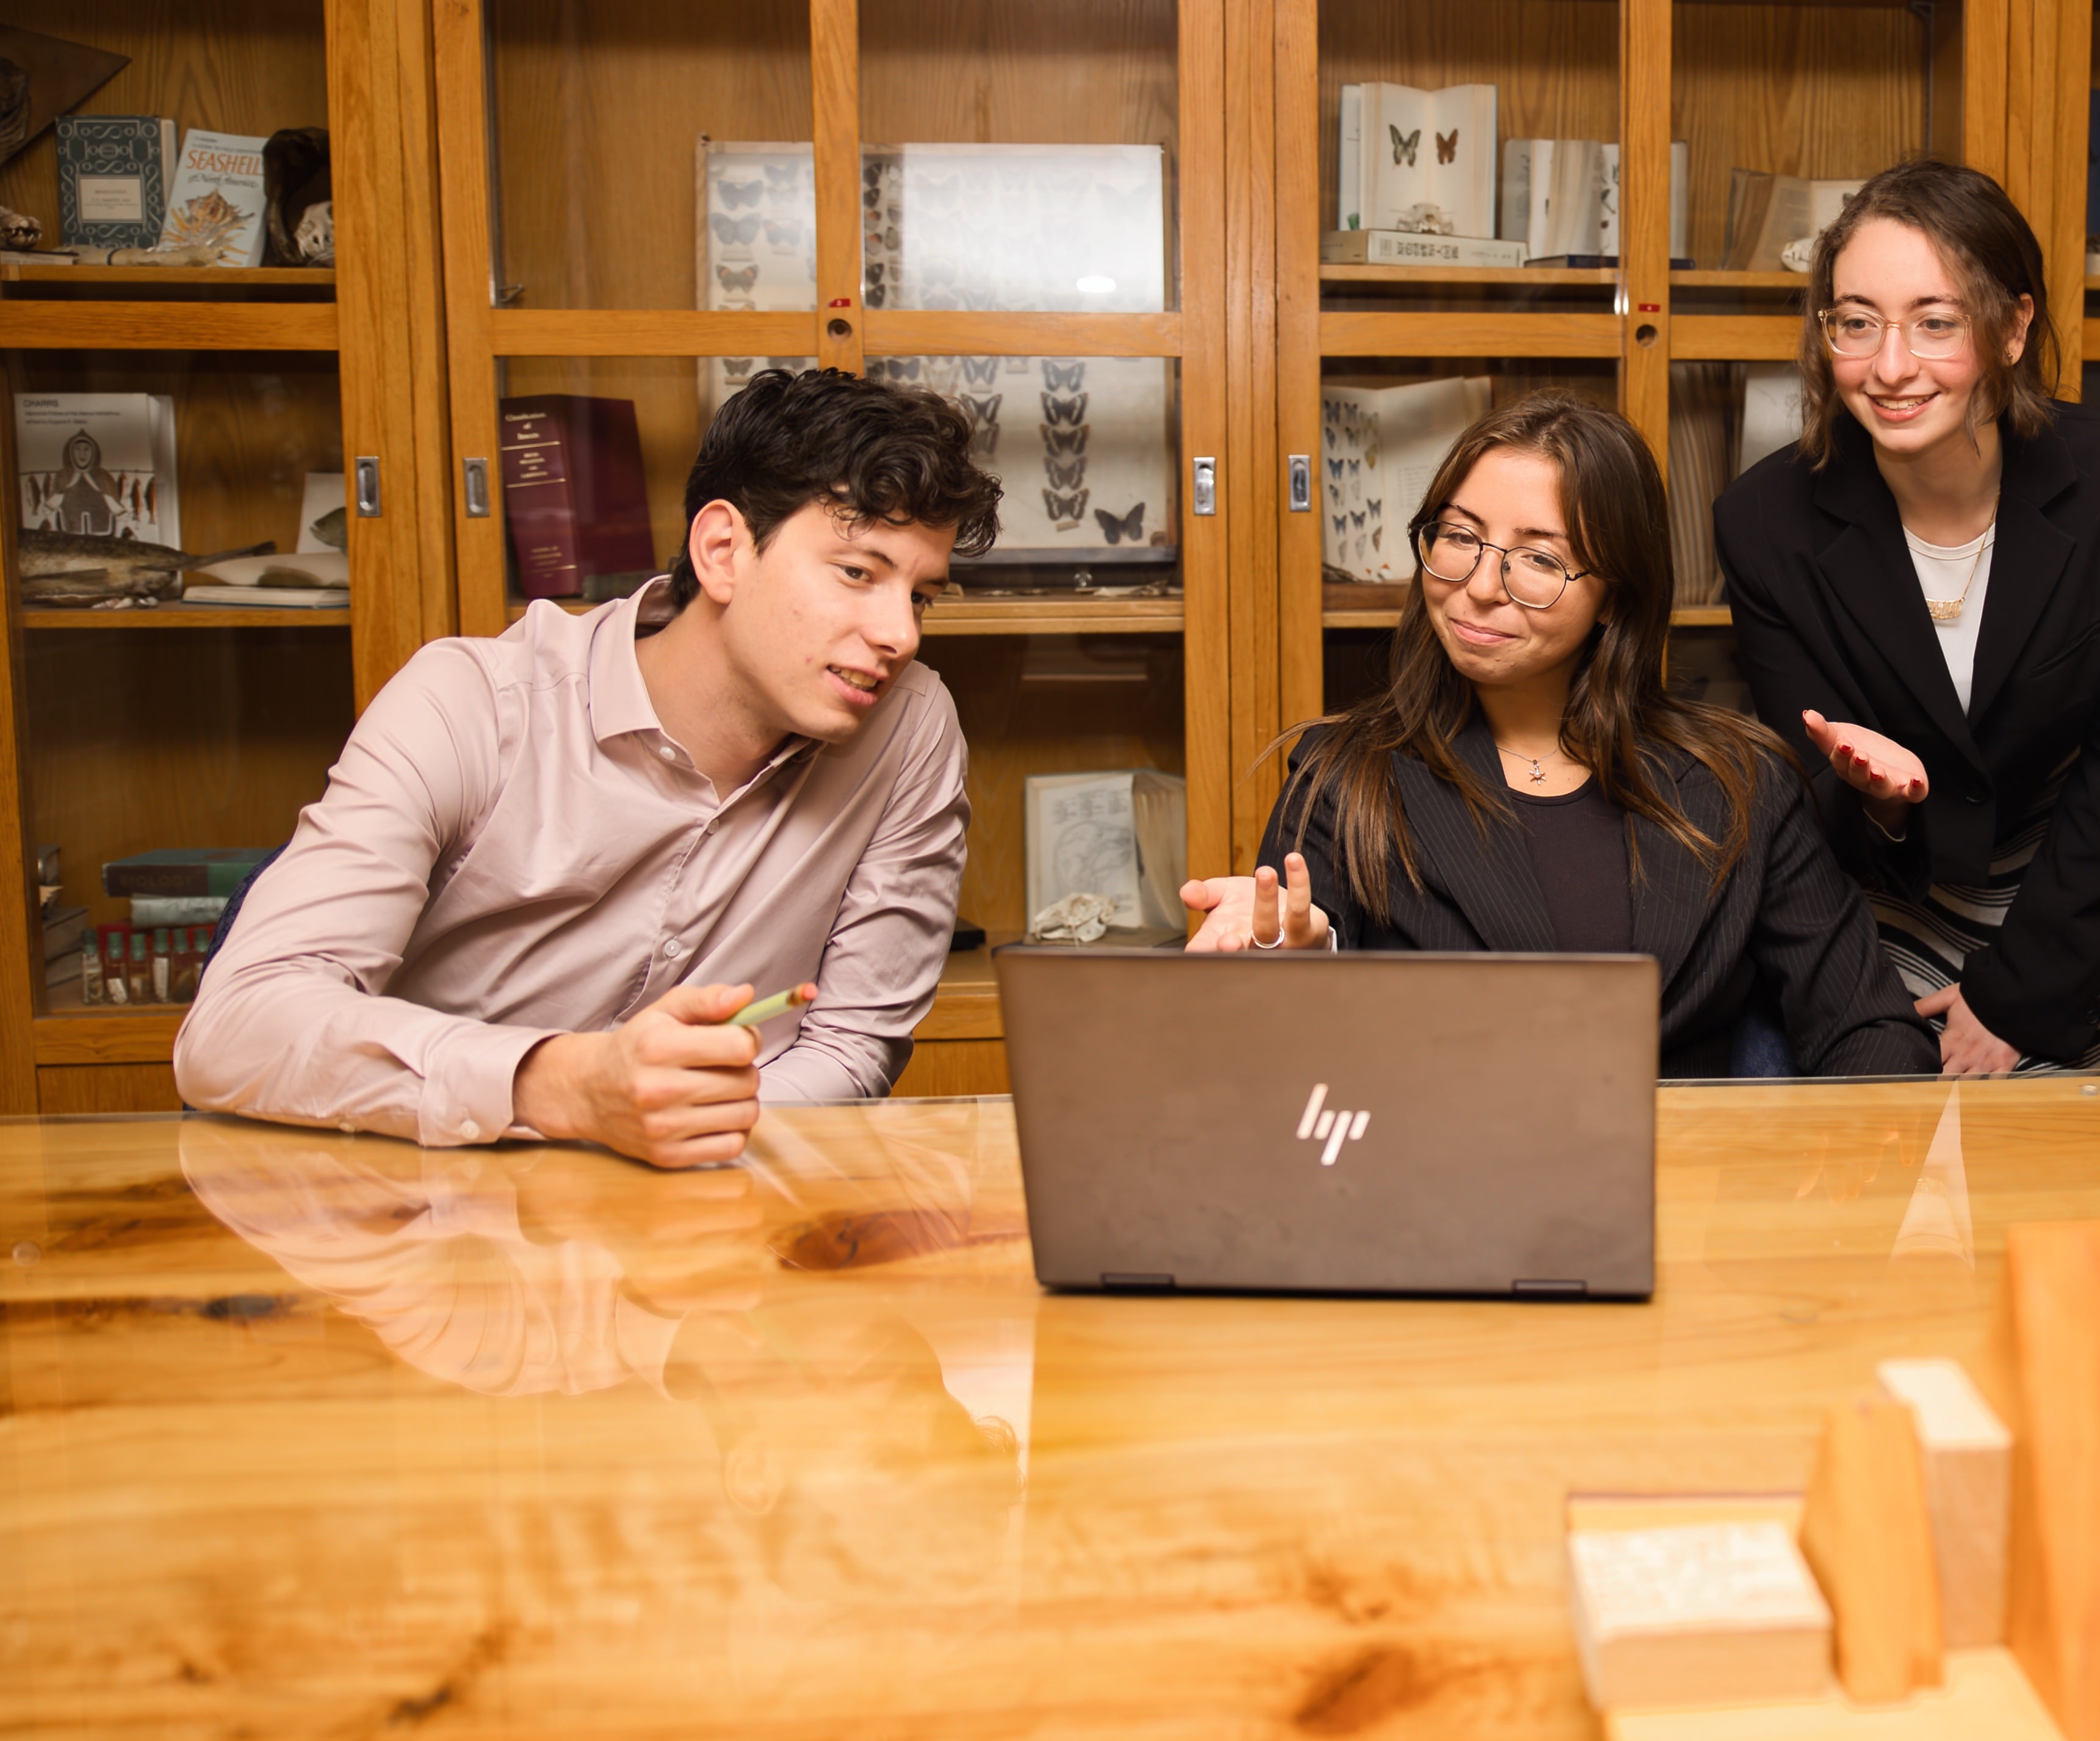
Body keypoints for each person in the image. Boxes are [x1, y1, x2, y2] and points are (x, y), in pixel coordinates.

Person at [174, 367, 1006, 1164]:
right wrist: (560, 1085)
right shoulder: (471, 703)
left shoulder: (906, 728)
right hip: (426, 1215)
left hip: (713, 1231)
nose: (899, 634)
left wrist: (682, 1144)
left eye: (920, 595)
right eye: (858, 574)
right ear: (722, 549)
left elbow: (851, 1045)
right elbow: (235, 1031)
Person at [1180, 390, 1937, 1079]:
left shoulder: (1741, 782)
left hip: (1686, 1200)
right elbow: (1273, 1056)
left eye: (1539, 558)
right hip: (1440, 1201)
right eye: (1459, 536)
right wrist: (1304, 956)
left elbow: (1869, 1029)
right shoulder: (1343, 776)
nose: (1478, 584)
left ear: (1615, 597)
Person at [1714, 160, 2100, 1074]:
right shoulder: (1761, 522)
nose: (1889, 367)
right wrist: (1882, 806)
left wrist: (2015, 995)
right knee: (1886, 1124)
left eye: (1936, 323)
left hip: (2075, 873)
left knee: (2069, 1143)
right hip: (1882, 881)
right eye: (1856, 323)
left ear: (2013, 328)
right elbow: (1805, 800)